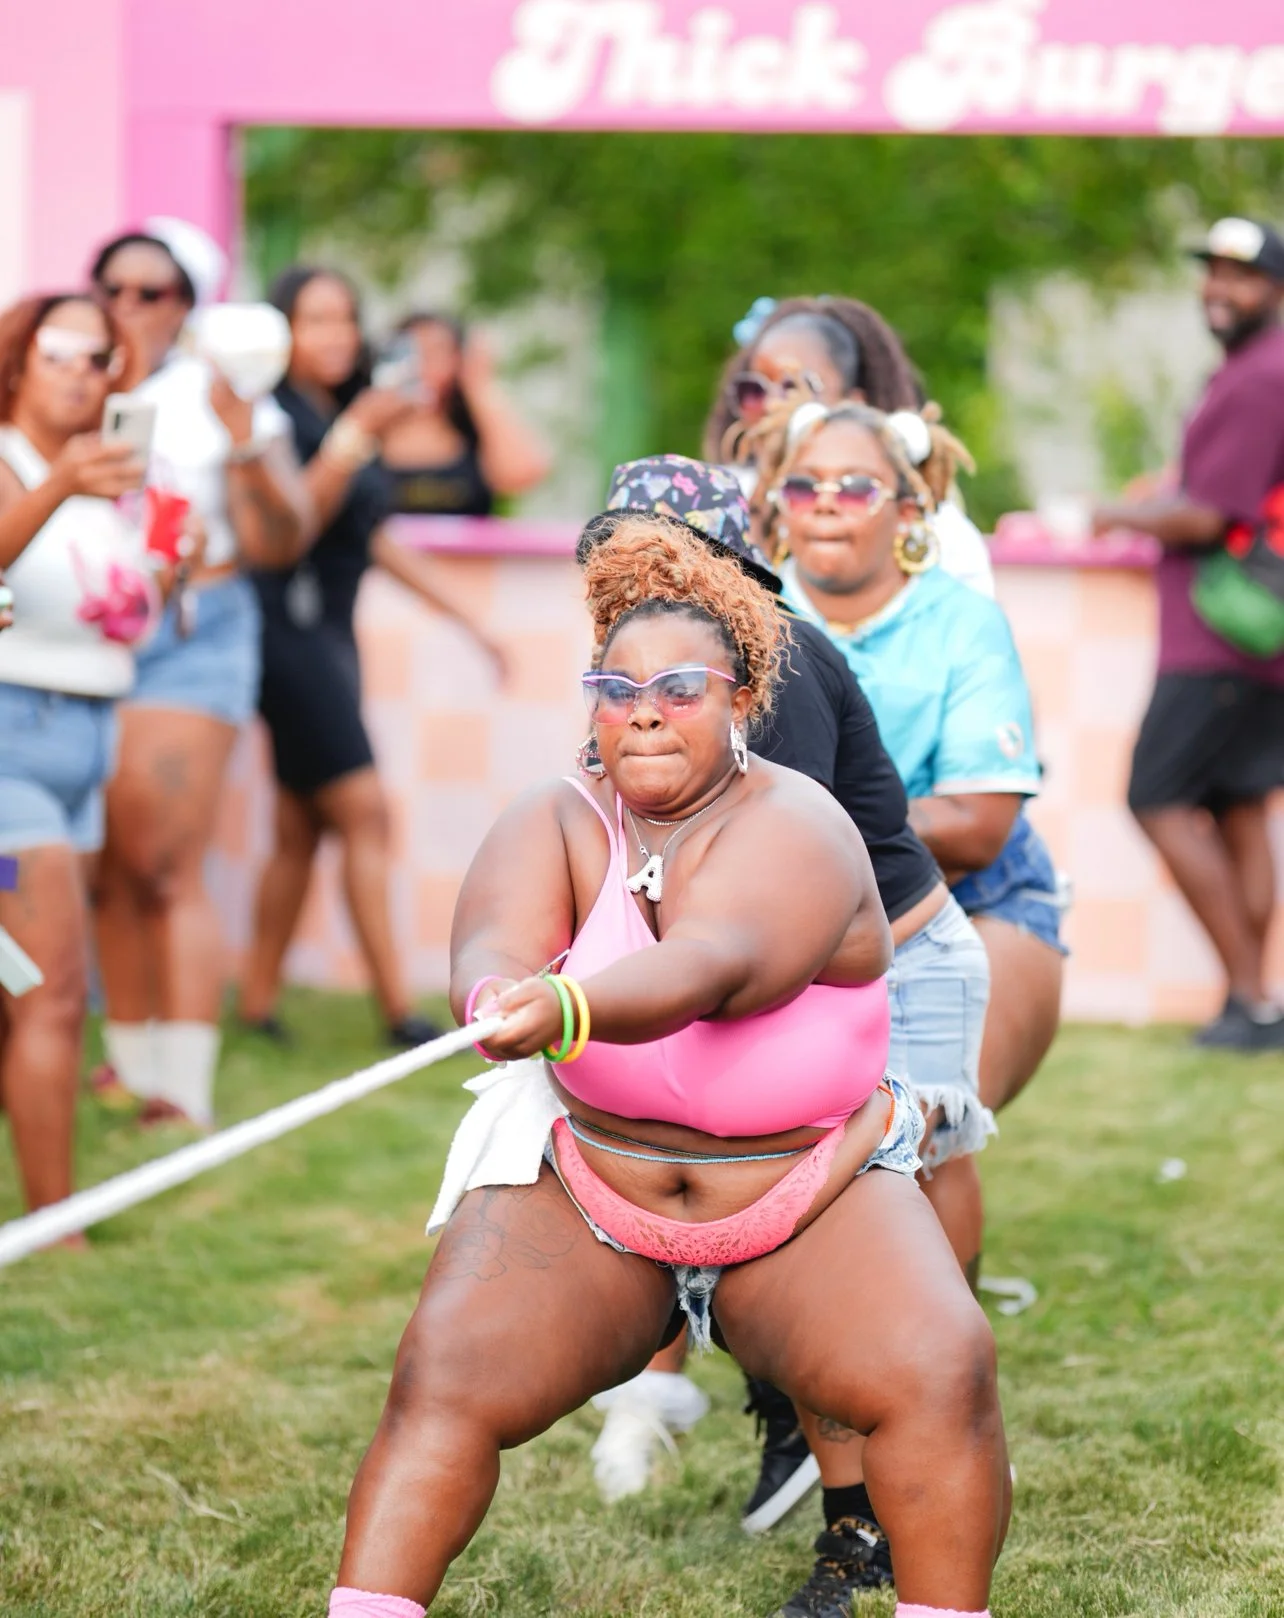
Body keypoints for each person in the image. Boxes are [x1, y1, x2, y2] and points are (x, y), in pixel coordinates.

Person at [329, 518, 1008, 1618]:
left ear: (745, 701)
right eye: (617, 685)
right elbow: (494, 943)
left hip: (806, 1192)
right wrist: (499, 994)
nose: (643, 709)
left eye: (682, 687)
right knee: (441, 1377)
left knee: (940, 1372)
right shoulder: (556, 813)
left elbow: (715, 965)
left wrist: (567, 1003)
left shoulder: (803, 823)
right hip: (597, 1189)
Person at [576, 458, 992, 1575]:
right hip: (781, 967)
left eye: (640, 561)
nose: (617, 588)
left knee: (858, 1213)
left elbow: (768, 885)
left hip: (900, 969)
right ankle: (825, 1441)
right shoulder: (652, 681)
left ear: (708, 569)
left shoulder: (776, 666)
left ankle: (892, 1448)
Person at [749, 401, 1060, 1618]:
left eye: (856, 488)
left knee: (928, 1144)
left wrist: (811, 822)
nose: (827, 509)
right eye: (806, 489)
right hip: (796, 934)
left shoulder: (960, 625)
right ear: (776, 506)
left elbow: (979, 822)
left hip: (956, 915)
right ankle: (833, 1473)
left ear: (911, 511)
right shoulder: (743, 623)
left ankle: (950, 1403)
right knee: (809, 1173)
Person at [239, 267, 507, 1047]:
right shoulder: (272, 416)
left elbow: (370, 537)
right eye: (315, 319)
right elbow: (290, 530)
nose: (335, 335)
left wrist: (468, 620)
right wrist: (358, 433)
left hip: (328, 633)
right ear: (280, 331)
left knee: (298, 826)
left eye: (345, 318)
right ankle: (397, 1008)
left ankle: (256, 1002)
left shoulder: (333, 409)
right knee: (365, 812)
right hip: (283, 632)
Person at [86, 217, 311, 1127]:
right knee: (105, 867)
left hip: (191, 628)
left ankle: (183, 1087)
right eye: (113, 289)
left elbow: (282, 537)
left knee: (163, 861)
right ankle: (130, 1060)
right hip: (82, 633)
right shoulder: (68, 384)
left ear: (189, 304)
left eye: (154, 292)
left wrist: (244, 439)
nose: (129, 308)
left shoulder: (217, 394)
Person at [1092, 217, 1284, 1051]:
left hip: (1220, 634)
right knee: (1239, 806)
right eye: (1211, 272)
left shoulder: (1260, 375)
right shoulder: (1253, 370)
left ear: (1275, 289)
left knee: (1156, 794)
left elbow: (1210, 513)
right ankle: (1257, 1005)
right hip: (1250, 636)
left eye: (1240, 277)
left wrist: (1116, 512)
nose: (1219, 289)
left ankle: (1248, 996)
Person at [0, 292, 151, 1209]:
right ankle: (56, 1226)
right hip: (11, 743)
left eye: (100, 360)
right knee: (50, 994)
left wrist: (172, 563)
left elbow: (115, 613)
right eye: (61, 354)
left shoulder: (101, 480)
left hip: (85, 744)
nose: (83, 375)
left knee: (25, 992)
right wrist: (59, 485)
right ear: (17, 360)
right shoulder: (22, 463)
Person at [705, 294, 995, 597]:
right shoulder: (716, 500)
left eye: (795, 387)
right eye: (753, 391)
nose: (772, 406)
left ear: (855, 404)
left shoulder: (937, 526)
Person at [379, 311, 549, 516]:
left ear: (458, 361)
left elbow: (522, 473)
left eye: (437, 351)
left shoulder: (473, 434)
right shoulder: (370, 434)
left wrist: (480, 385)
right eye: (412, 351)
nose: (423, 363)